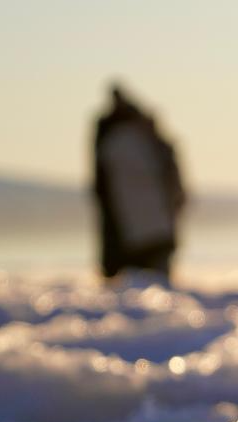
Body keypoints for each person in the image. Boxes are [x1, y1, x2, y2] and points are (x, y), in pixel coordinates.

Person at [93, 84, 185, 282]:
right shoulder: (148, 140)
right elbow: (176, 188)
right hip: (158, 231)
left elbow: (105, 197)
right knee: (156, 292)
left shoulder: (112, 143)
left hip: (134, 237)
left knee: (139, 293)